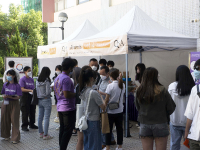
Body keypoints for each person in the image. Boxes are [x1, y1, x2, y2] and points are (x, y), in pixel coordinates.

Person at [135, 67, 176, 150]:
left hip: (144, 123)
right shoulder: (162, 89)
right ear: (156, 76)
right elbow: (171, 107)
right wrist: (164, 115)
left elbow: (137, 107)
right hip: (160, 123)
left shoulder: (139, 90)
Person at [168, 65, 195, 150]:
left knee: (174, 144)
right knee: (187, 146)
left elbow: (168, 104)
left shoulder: (171, 87)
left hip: (174, 120)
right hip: (188, 122)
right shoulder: (192, 88)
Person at [79, 68, 106, 150]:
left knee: (87, 144)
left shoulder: (83, 90)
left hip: (85, 120)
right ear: (91, 79)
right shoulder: (94, 92)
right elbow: (103, 107)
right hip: (94, 121)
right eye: (95, 78)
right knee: (95, 145)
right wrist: (101, 96)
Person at [54, 58, 76, 150]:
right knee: (67, 131)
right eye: (73, 67)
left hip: (60, 107)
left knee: (63, 130)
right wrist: (76, 93)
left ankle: (61, 148)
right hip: (68, 107)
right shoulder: (66, 79)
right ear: (70, 67)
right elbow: (67, 94)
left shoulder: (57, 77)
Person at [103, 69, 125, 150]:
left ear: (110, 76)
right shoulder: (123, 85)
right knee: (119, 129)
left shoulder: (110, 86)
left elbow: (107, 99)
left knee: (108, 130)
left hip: (110, 111)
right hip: (119, 110)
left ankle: (107, 147)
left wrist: (104, 108)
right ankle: (119, 147)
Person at [1, 70, 22, 144]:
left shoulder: (17, 85)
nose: (8, 76)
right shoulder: (5, 84)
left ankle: (15, 138)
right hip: (5, 103)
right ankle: (6, 135)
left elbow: (18, 97)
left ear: (13, 76)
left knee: (14, 120)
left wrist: (11, 97)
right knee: (5, 119)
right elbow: (3, 93)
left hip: (14, 104)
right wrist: (4, 96)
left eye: (10, 75)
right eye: (7, 75)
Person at [98, 66, 116, 149]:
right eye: (100, 74)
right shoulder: (101, 80)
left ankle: (104, 142)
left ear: (108, 73)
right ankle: (111, 139)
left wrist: (101, 93)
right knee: (106, 124)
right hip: (101, 104)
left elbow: (111, 94)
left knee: (104, 124)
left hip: (107, 105)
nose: (101, 75)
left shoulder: (111, 82)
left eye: (103, 74)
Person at [184, 60, 200, 150]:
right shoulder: (195, 89)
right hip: (195, 136)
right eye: (196, 69)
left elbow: (190, 114)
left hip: (195, 135)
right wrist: (187, 131)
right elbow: (190, 113)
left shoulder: (195, 89)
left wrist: (187, 131)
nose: (197, 71)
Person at [76, 65, 91, 150]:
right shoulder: (83, 87)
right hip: (83, 115)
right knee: (81, 139)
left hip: (81, 114)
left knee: (81, 139)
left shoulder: (79, 86)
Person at [36, 67, 53, 140]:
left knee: (40, 117)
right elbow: (47, 92)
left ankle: (41, 133)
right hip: (46, 100)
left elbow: (36, 90)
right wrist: (51, 88)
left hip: (39, 100)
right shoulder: (46, 80)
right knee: (46, 117)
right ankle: (45, 135)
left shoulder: (37, 80)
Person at [19, 66, 38, 131]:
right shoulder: (22, 79)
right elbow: (22, 89)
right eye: (28, 71)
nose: (30, 72)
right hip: (25, 96)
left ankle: (32, 124)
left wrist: (33, 91)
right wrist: (30, 90)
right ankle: (24, 126)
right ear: (25, 72)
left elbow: (33, 87)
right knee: (25, 111)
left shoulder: (31, 79)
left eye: (30, 70)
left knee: (32, 110)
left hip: (31, 96)